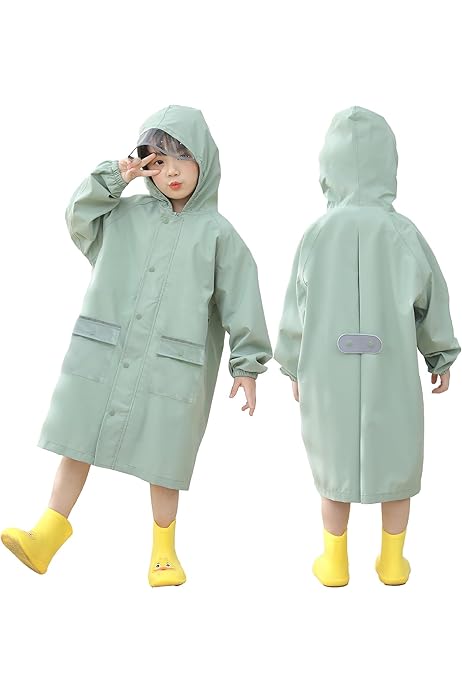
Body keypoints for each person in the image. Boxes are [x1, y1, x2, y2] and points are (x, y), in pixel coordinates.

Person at [1, 105, 272, 587]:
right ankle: (46, 533)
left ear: (205, 161)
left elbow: (242, 302)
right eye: (158, 160)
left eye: (183, 158)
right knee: (77, 441)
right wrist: (116, 176)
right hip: (105, 353)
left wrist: (246, 366)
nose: (171, 171)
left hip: (172, 366)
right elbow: (78, 217)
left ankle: (164, 551)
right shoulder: (123, 216)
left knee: (164, 459)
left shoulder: (218, 235)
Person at [274, 106, 460, 587]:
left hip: (326, 371)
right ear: (388, 166)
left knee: (333, 465)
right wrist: (439, 354)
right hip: (390, 369)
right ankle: (393, 561)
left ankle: (334, 561)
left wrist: (293, 366)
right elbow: (431, 298)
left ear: (327, 169)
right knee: (397, 463)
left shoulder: (316, 234)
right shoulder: (403, 233)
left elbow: (296, 308)